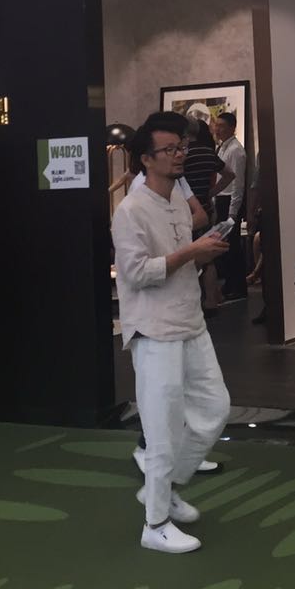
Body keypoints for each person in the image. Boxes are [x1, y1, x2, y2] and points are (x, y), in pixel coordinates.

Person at [113, 115, 232, 553]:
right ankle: (155, 523)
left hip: (190, 321)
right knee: (161, 429)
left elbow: (181, 261)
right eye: (170, 149)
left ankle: (163, 489)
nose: (179, 155)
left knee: (215, 408)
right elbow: (136, 273)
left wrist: (204, 252)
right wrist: (191, 252)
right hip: (154, 330)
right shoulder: (130, 210)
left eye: (181, 147)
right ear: (146, 159)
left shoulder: (179, 201)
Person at [183, 118, 226, 312]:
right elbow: (230, 174)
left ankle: (196, 301)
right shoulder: (209, 153)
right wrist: (211, 192)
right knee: (208, 257)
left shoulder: (184, 154)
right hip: (207, 208)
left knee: (189, 256)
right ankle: (212, 299)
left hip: (188, 212)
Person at [212, 111, 247, 301]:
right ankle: (229, 284)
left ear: (232, 128)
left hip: (230, 201)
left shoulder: (236, 150)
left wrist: (233, 212)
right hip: (221, 200)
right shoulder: (221, 148)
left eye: (222, 126)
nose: (217, 129)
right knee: (224, 246)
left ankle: (238, 287)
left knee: (232, 247)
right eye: (216, 125)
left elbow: (237, 184)